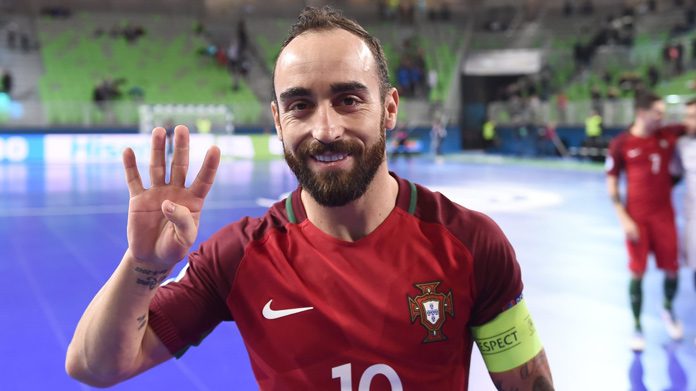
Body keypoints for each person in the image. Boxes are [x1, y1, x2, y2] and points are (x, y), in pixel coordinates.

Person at [65, 7, 554, 390]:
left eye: (348, 99)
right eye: (301, 105)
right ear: (279, 122)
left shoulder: (471, 245)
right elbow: (94, 368)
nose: (326, 129)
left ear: (389, 108)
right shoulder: (239, 256)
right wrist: (142, 265)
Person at [605, 92, 685, 352]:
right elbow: (612, 182)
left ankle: (668, 309)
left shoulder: (667, 134)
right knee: (637, 271)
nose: (663, 117)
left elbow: (691, 125)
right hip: (637, 218)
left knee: (672, 268)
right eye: (657, 112)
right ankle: (638, 325)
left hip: (665, 215)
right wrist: (624, 218)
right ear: (641, 113)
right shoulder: (620, 144)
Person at [671, 98, 696, 347]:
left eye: (694, 116)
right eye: (688, 116)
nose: (690, 122)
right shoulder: (682, 146)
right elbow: (672, 176)